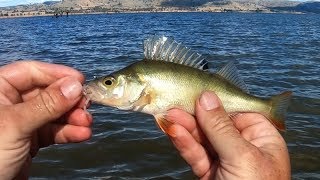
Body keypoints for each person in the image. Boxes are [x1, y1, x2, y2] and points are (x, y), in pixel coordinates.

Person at [0, 61, 290, 180]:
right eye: (108, 82)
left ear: (136, 85)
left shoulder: (148, 89)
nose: (103, 86)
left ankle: (267, 107)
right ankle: (267, 107)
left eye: (110, 82)